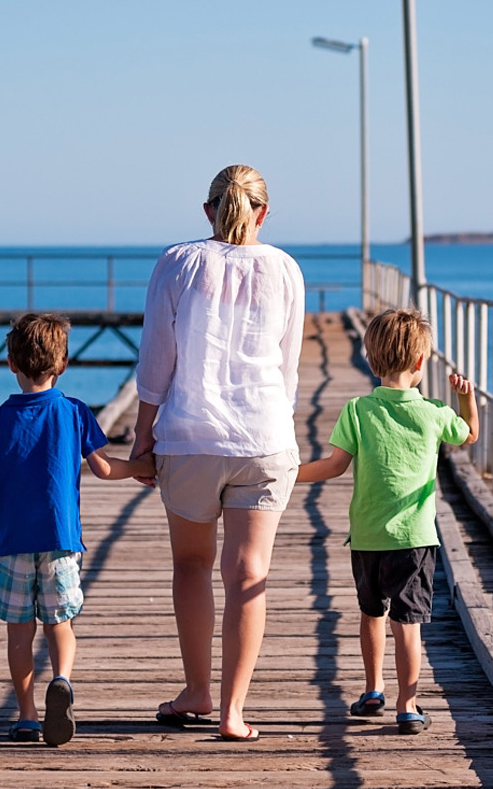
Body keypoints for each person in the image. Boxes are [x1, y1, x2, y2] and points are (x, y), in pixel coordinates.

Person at [130, 164, 305, 742]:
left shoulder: (177, 262)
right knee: (249, 572)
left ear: (207, 210)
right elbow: (288, 368)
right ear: (264, 211)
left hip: (191, 437)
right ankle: (233, 711)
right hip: (264, 436)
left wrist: (142, 436)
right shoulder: (285, 269)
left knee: (191, 566)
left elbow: (157, 360)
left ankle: (197, 691)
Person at [296, 308, 479, 735]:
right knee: (409, 625)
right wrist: (465, 398)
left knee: (370, 614)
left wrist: (288, 475)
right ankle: (407, 704)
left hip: (367, 536)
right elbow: (469, 434)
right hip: (415, 539)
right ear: (419, 364)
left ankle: (373, 688)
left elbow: (334, 466)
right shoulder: (434, 413)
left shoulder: (358, 410)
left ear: (371, 358)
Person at [0, 313, 151, 745]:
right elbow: (105, 468)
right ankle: (64, 681)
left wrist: (11, 509)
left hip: (12, 541)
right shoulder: (74, 412)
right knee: (60, 623)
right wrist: (141, 467)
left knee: (19, 630)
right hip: (60, 540)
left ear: (11, 363)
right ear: (63, 364)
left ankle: (28, 716)